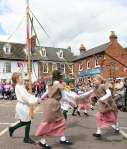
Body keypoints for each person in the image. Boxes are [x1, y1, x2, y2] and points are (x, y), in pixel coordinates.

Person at [9, 72, 40, 144]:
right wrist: (35, 100)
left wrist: (35, 98)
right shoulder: (18, 87)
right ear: (17, 79)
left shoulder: (21, 86)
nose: (22, 78)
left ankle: (12, 128)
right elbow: (25, 97)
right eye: (21, 77)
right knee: (27, 122)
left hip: (24, 106)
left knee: (24, 122)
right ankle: (26, 138)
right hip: (22, 107)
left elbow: (27, 95)